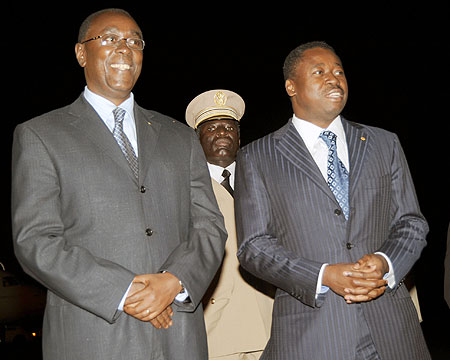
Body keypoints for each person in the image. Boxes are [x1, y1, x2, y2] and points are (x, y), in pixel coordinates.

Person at [11, 8, 226, 360]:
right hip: (93, 336)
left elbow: (210, 227)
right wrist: (126, 291)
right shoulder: (41, 135)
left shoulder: (180, 137)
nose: (124, 49)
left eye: (134, 41)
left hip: (179, 336)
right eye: (110, 39)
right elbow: (35, 240)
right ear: (81, 53)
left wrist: (174, 282)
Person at [234, 41, 431, 359]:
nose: (333, 78)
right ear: (291, 86)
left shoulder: (383, 143)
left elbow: (411, 222)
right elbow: (253, 247)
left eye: (339, 71)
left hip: (391, 329)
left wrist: (384, 262)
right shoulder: (258, 157)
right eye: (319, 71)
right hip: (311, 335)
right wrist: (323, 275)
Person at [185, 89, 274, 360]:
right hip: (216, 328)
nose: (222, 133)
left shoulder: (264, 180)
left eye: (229, 127)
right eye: (211, 128)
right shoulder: (184, 187)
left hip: (270, 321)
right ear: (197, 139)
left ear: (239, 136)